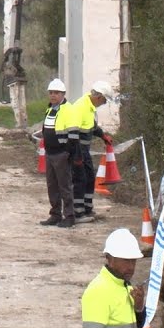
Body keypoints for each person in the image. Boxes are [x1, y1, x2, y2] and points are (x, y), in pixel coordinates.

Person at [56, 81, 118, 223]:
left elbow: (92, 126)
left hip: (83, 150)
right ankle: (78, 212)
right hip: (76, 150)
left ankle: (87, 208)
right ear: (98, 97)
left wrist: (103, 136)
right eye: (104, 101)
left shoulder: (88, 107)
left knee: (89, 177)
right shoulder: (81, 107)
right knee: (79, 179)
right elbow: (74, 133)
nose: (103, 104)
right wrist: (76, 155)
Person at [35, 78, 74, 228]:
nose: (53, 95)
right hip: (50, 154)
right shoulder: (50, 109)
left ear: (63, 94)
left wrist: (72, 153)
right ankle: (55, 214)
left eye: (56, 93)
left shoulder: (68, 109)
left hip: (62, 153)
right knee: (52, 186)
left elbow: (73, 133)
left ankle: (69, 216)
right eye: (51, 93)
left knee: (64, 186)